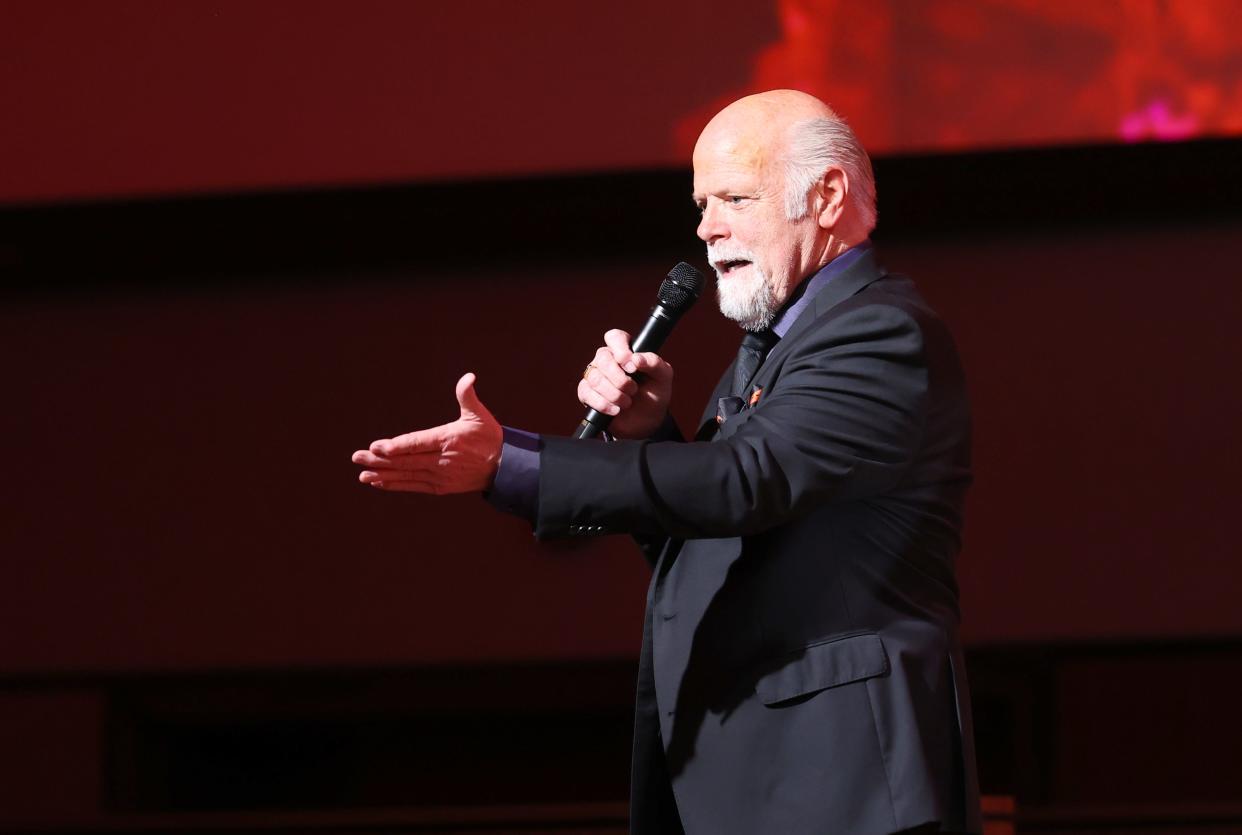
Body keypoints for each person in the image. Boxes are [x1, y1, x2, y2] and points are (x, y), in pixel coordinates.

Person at [352, 89, 980, 835]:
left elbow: (743, 482)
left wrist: (515, 466)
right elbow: (725, 530)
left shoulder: (879, 332)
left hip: (840, 790)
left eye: (735, 198)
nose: (707, 230)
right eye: (701, 203)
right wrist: (648, 432)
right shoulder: (783, 342)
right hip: (766, 782)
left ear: (828, 195)